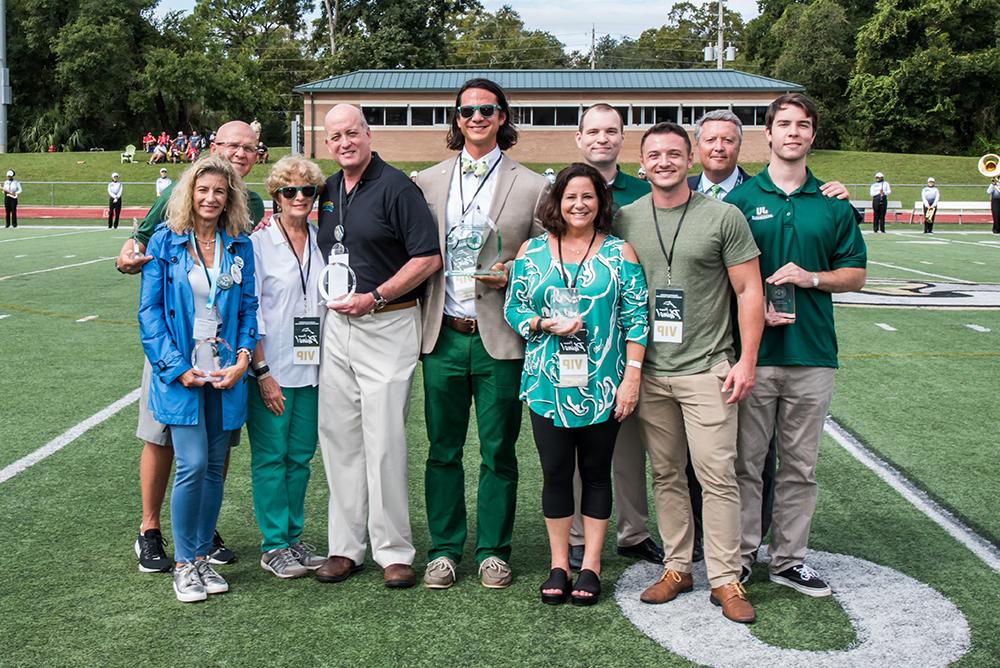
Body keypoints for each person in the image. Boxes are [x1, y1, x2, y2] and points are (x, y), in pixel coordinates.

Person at [616, 121, 763, 624]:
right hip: (650, 370)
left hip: (707, 368)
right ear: (642, 163)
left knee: (718, 476)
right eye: (654, 154)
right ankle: (678, 566)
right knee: (666, 473)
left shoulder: (723, 216)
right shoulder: (625, 219)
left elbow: (748, 291)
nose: (664, 162)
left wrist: (745, 361)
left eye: (674, 153)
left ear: (691, 159)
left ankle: (725, 577)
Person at [726, 93, 867, 599]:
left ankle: (788, 560)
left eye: (802, 125)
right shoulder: (740, 202)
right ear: (767, 133)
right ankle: (739, 558)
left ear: (812, 135)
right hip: (753, 356)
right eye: (783, 124)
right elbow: (721, 278)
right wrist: (754, 304)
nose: (792, 132)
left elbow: (856, 274)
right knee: (745, 463)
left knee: (801, 466)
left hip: (812, 355)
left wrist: (812, 278)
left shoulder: (832, 203)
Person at [414, 77, 548, 590]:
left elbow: (548, 256)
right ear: (455, 118)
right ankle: (445, 550)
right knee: (442, 449)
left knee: (498, 450)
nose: (476, 117)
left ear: (502, 117)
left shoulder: (533, 185)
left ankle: (494, 550)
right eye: (467, 110)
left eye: (487, 109)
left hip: (501, 337)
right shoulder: (426, 181)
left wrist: (518, 266)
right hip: (443, 334)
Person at [115, 121, 265, 574]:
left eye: (249, 148)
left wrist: (243, 358)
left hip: (223, 365)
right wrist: (174, 366)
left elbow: (247, 306)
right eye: (204, 190)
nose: (211, 198)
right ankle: (159, 537)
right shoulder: (169, 228)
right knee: (175, 450)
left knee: (214, 462)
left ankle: (200, 545)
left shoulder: (244, 228)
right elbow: (147, 297)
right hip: (176, 359)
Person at [505, 163, 648, 606]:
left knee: (596, 473)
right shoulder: (532, 253)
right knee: (554, 473)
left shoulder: (619, 253)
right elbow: (514, 308)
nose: (579, 204)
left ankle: (592, 565)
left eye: (588, 196)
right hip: (547, 382)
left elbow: (637, 318)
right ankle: (559, 563)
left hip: (604, 382)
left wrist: (631, 379)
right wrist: (542, 322)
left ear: (601, 203)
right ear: (557, 202)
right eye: (571, 197)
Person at [313, 104, 441, 589]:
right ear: (327, 144)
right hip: (336, 326)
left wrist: (376, 296)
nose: (344, 142)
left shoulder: (397, 188)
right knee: (339, 439)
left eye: (352, 133)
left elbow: (427, 257)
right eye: (335, 136)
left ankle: (393, 550)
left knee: (383, 441)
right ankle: (344, 548)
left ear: (368, 134)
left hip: (386, 321)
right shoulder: (327, 191)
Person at [568, 103, 661, 571]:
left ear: (623, 138)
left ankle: (633, 531)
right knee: (582, 443)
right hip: (575, 340)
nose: (602, 138)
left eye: (612, 131)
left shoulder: (644, 192)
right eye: (594, 131)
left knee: (627, 447)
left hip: (629, 335)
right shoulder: (563, 189)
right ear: (579, 138)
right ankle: (582, 536)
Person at [247, 155, 328, 579]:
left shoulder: (323, 240)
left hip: (314, 368)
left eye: (307, 190)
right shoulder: (259, 245)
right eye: (289, 191)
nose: (299, 198)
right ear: (275, 196)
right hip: (273, 368)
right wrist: (262, 372)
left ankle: (293, 537)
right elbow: (249, 311)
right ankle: (274, 543)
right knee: (270, 458)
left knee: (300, 457)